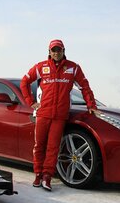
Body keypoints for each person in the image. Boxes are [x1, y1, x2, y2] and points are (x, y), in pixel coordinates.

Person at [20, 39, 98, 191]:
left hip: (60, 115)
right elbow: (24, 82)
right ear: (49, 52)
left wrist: (91, 105)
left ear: (63, 51)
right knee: (39, 146)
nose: (56, 53)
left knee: (53, 147)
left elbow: (84, 86)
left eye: (59, 50)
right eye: (53, 50)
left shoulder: (73, 68)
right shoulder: (41, 67)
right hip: (43, 113)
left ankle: (47, 177)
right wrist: (30, 102)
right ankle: (37, 174)